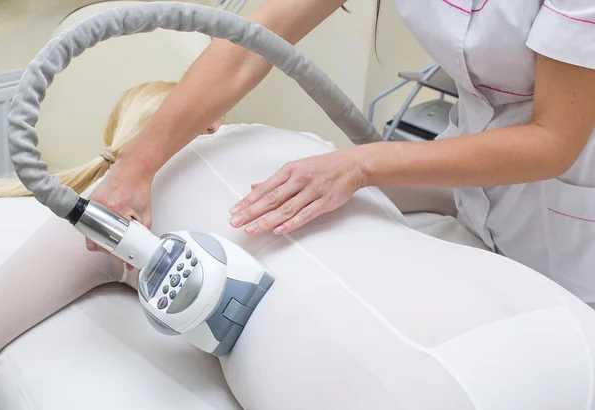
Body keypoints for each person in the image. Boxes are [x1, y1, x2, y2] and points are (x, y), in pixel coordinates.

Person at [0, 81, 595, 410]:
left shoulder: (111, 213)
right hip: (560, 331)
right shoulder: (308, 149)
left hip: (379, 379)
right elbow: (452, 200)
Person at [86, 0, 595, 305]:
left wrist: (359, 164)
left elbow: (552, 139)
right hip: (480, 191)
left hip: (572, 207)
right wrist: (138, 165)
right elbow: (252, 42)